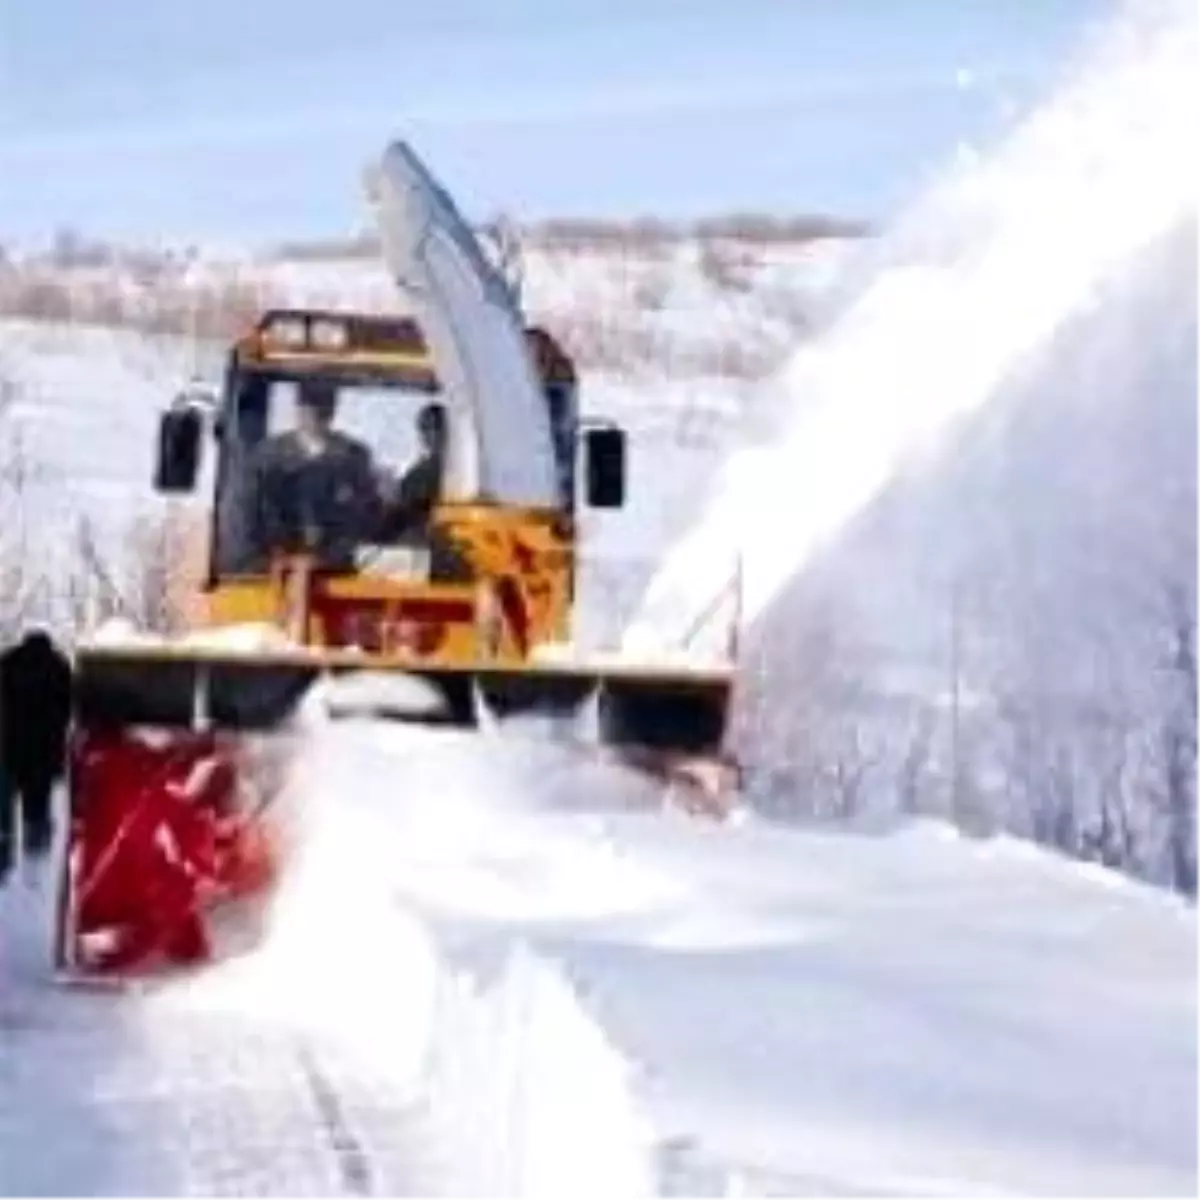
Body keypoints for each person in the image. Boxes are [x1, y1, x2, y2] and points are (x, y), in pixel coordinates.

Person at [247, 378, 384, 571]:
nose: (316, 412)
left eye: (324, 403)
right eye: (309, 403)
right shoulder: (268, 455)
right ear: (298, 406)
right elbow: (252, 511)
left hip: (339, 566)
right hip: (277, 563)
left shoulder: (354, 456)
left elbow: (368, 512)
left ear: (333, 408)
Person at [0, 629, 73, 885]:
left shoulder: (8, 662)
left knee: (3, 811)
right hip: (44, 753)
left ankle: (2, 865)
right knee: (37, 809)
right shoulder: (59, 666)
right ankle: (36, 865)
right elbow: (67, 710)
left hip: (8, 750)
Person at [381, 400, 448, 544]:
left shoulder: (426, 473)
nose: (431, 435)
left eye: (436, 428)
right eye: (426, 429)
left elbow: (402, 510)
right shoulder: (419, 472)